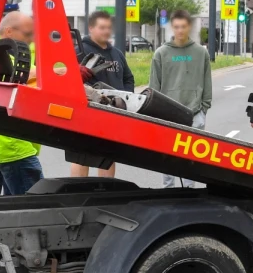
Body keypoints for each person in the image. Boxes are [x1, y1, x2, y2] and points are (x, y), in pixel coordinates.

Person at [0, 11, 44, 195]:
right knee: (34, 206)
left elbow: (35, 73)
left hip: (16, 143)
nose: (31, 40)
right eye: (27, 34)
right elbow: (25, 75)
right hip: (12, 144)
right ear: (8, 31)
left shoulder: (14, 55)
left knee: (16, 206)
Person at [150, 10, 212, 187]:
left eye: (183, 27)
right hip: (168, 114)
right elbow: (154, 86)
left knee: (190, 159)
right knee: (168, 158)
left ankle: (188, 194)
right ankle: (168, 192)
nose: (180, 31)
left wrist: (204, 109)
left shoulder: (201, 53)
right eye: (176, 27)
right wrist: (156, 112)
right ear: (172, 28)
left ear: (189, 27)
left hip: (194, 114)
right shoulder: (161, 53)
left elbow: (207, 83)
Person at [71, 10, 135, 179]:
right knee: (81, 156)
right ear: (91, 28)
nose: (106, 31)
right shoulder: (79, 51)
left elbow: (128, 78)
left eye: (108, 27)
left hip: (113, 113)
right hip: (87, 113)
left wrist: (126, 98)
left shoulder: (117, 54)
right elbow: (69, 80)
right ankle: (78, 191)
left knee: (108, 155)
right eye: (102, 27)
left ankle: (105, 190)